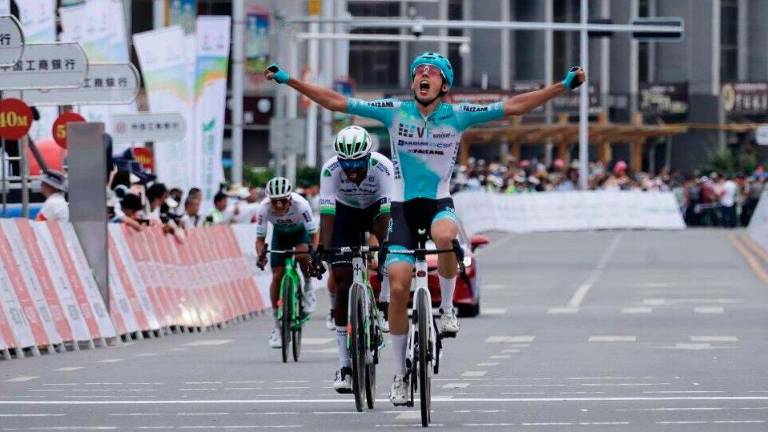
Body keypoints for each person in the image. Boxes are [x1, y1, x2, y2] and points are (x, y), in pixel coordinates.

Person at [266, 52, 585, 405]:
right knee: (399, 286)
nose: (424, 76)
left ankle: (447, 310)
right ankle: (401, 377)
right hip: (402, 209)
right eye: (419, 71)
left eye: (431, 73)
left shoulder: (458, 114)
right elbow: (336, 101)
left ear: (443, 85)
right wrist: (289, 80)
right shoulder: (394, 111)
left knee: (446, 237)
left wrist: (562, 86)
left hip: (438, 204)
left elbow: (515, 106)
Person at [312, 125, 394, 393]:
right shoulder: (330, 170)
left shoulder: (383, 167)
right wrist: (322, 249)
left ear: (368, 157)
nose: (353, 170)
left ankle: (383, 305)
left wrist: (382, 246)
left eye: (358, 163)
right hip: (344, 213)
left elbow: (385, 214)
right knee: (342, 279)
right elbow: (327, 213)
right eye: (347, 164)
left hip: (375, 210)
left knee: (390, 254)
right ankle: (345, 366)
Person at [255, 177, 319, 349]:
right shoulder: (263, 208)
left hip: (300, 234)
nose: (279, 206)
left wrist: (313, 255)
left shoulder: (302, 205)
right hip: (280, 236)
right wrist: (261, 255)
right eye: (275, 202)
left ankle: (307, 285)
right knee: (277, 276)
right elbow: (260, 239)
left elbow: (314, 235)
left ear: (290, 198)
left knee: (303, 255)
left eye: (283, 201)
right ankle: (277, 325)